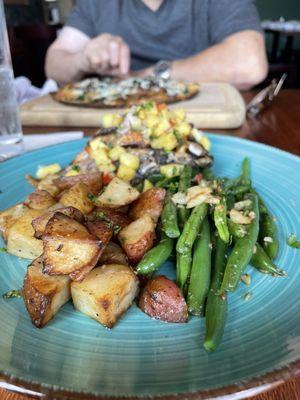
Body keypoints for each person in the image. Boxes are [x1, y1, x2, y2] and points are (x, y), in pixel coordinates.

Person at [45, 0, 268, 90]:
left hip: (205, 122)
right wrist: (83, 58)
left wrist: (148, 75)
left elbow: (250, 64)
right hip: (110, 124)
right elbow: (54, 65)